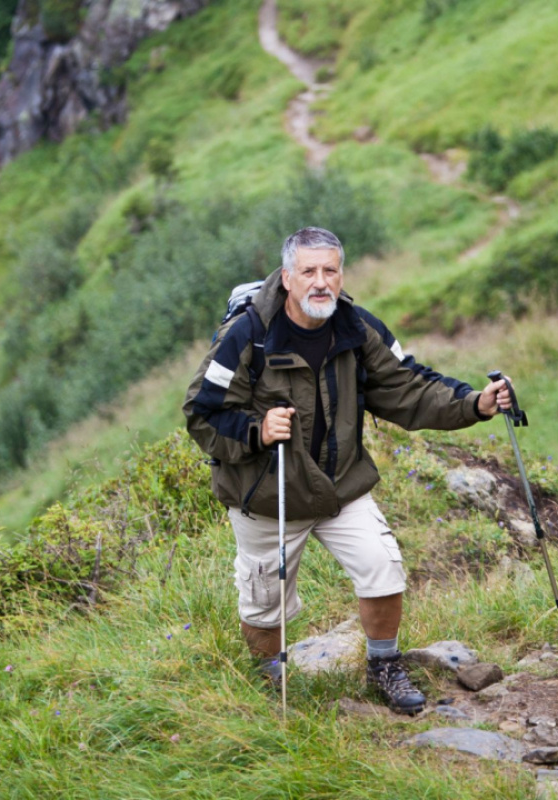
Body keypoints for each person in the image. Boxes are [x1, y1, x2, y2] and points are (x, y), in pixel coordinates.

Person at [182, 226, 512, 714]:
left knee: (384, 569)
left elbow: (409, 387)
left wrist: (475, 403)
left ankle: (384, 667)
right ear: (288, 277)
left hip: (340, 488)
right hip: (265, 496)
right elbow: (201, 413)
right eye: (309, 271)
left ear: (341, 274)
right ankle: (271, 681)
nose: (321, 282)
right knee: (263, 604)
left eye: (330, 270)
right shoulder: (247, 335)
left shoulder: (357, 328)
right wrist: (255, 429)